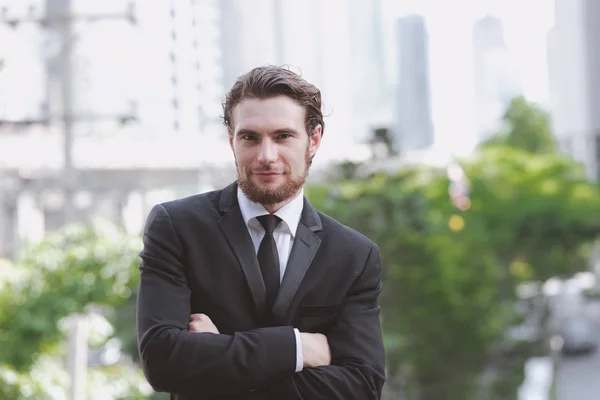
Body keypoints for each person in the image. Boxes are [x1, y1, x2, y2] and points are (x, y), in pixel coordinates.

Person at [136, 65, 386, 399]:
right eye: (250, 137)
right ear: (231, 140)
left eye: (283, 136)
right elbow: (163, 361)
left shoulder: (353, 254)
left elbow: (361, 386)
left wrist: (219, 357)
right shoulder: (178, 227)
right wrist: (298, 347)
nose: (266, 156)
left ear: (314, 139)